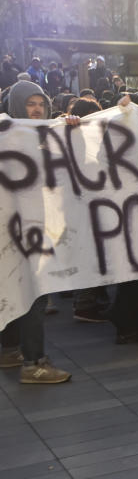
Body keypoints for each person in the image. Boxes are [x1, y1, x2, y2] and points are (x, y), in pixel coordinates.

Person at [0, 80, 73, 382]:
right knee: (34, 293)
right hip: (19, 231)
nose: (37, 109)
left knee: (16, 287)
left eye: (41, 104)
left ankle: (9, 349)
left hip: (30, 228)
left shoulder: (45, 134)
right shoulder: (7, 134)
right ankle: (34, 364)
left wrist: (73, 128)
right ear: (17, 106)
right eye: (30, 104)